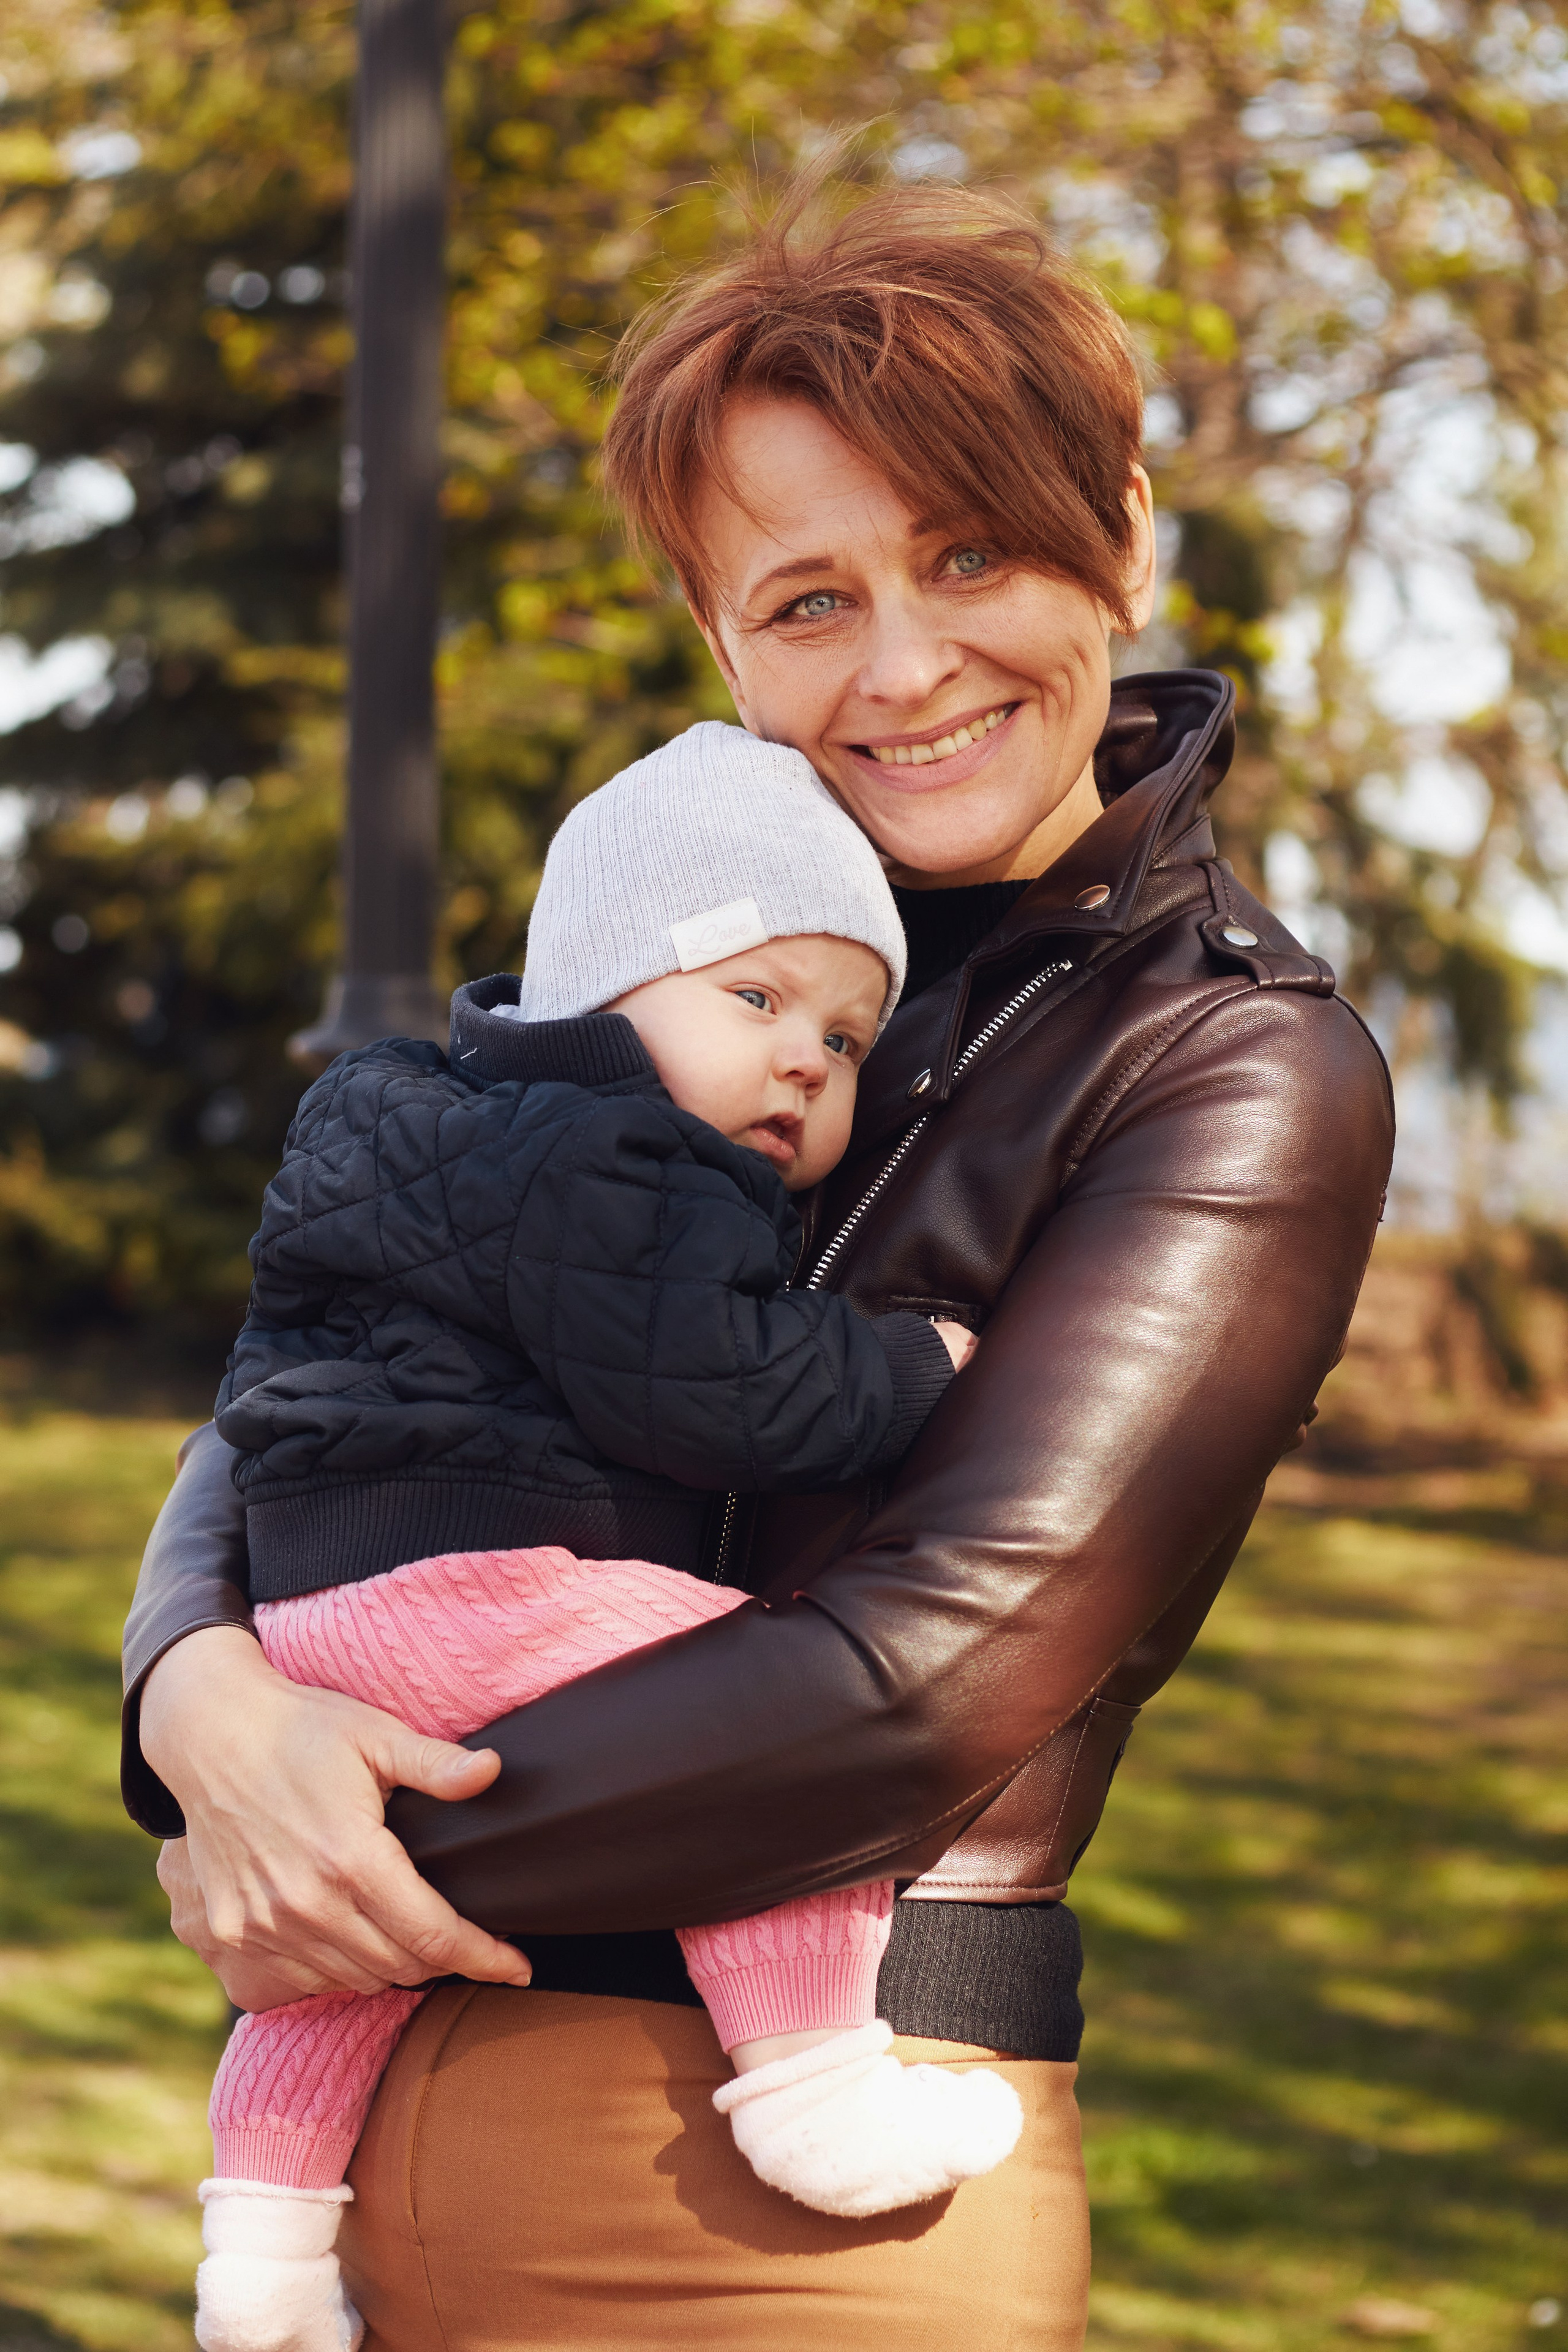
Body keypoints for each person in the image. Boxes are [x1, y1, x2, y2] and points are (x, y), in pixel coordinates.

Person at [123, 179, 1395, 2350]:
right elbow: (322, 1379)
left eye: (971, 552)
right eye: (809, 599)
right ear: (722, 640)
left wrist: (331, 1857)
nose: (904, 666)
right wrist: (201, 1703)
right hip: (373, 2157)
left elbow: (928, 1681)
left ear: (1123, 527)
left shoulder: (1227, 1061)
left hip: (787, 2211)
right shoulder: (670, 965)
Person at [194, 726, 1021, 2351]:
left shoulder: (405, 1120)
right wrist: (917, 1362)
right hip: (486, 1576)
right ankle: (812, 2081)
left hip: (318, 1603)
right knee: (781, 1722)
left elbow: (258, 1379)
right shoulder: (628, 1155)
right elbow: (720, 1398)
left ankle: (265, 2258)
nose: (806, 1064)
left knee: (341, 1959)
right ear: (598, 990)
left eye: (849, 1038)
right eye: (758, 1000)